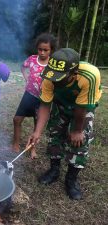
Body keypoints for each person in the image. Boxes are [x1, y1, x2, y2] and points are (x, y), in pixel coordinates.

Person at [27, 48, 102, 200]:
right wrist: (37, 132)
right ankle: (54, 170)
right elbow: (45, 105)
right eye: (53, 76)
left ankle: (71, 179)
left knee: (80, 140)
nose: (54, 80)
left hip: (83, 106)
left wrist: (76, 130)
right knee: (55, 134)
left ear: (73, 74)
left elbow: (81, 108)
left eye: (59, 78)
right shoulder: (49, 76)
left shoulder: (89, 75)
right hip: (60, 103)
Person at [12, 33, 56, 159]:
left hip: (42, 100)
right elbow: (23, 67)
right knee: (17, 119)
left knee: (37, 126)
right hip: (28, 96)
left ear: (51, 50)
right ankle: (15, 143)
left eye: (45, 50)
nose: (42, 52)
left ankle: (32, 149)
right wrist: (26, 78)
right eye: (40, 49)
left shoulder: (52, 64)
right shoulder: (32, 59)